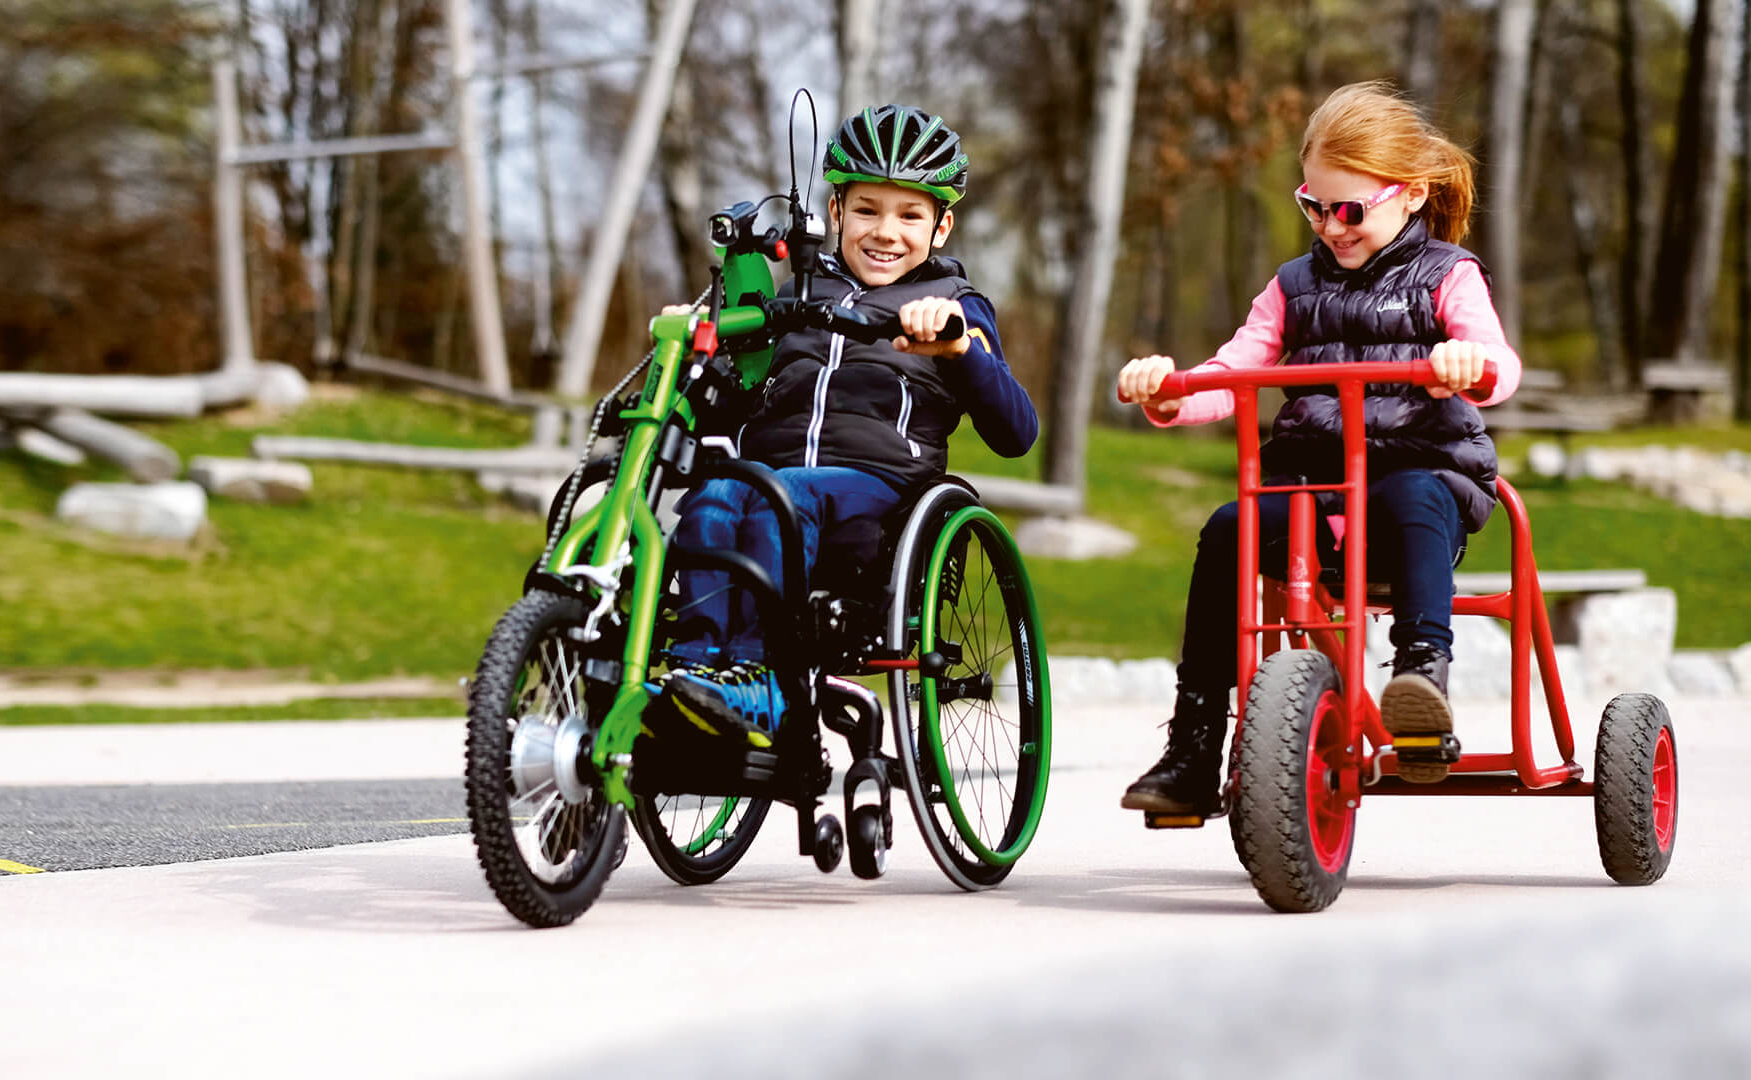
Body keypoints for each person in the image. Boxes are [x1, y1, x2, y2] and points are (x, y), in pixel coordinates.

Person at [1117, 81, 1523, 810]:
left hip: (1415, 486)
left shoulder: (1446, 276)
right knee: (1227, 530)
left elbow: (1499, 361)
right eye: (1315, 206)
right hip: (1308, 493)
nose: (1332, 226)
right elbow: (1234, 370)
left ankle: (1422, 684)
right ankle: (1195, 744)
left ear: (1410, 195)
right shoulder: (1291, 286)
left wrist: (1469, 365)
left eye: (1350, 210)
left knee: (1414, 492)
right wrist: (1170, 393)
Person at [652, 103, 1039, 747]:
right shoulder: (794, 298)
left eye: (910, 215)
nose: (885, 231)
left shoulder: (955, 306)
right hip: (767, 483)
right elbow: (730, 408)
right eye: (866, 210)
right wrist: (698, 349)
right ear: (835, 214)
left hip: (878, 503)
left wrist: (959, 349)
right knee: (716, 493)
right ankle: (698, 674)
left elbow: (1017, 431)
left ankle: (764, 683)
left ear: (941, 227)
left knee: (782, 495)